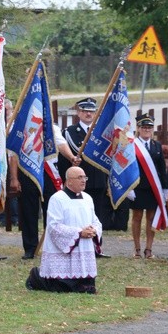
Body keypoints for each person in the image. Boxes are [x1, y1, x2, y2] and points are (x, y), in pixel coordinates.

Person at [25, 166, 101, 294]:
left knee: (87, 287)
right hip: (66, 249)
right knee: (61, 286)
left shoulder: (88, 198)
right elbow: (54, 226)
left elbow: (96, 220)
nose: (83, 180)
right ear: (69, 181)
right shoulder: (57, 199)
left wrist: (94, 230)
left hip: (84, 246)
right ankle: (35, 277)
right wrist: (79, 233)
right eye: (79, 177)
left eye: (84, 177)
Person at [11, 123, 80, 259]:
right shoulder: (21, 123)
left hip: (48, 173)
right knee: (28, 211)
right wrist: (14, 178)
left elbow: (60, 144)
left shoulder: (51, 126)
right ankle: (30, 248)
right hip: (28, 172)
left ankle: (54, 246)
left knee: (53, 211)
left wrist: (71, 157)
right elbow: (13, 154)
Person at [59, 97, 110, 258]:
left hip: (98, 180)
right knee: (79, 216)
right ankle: (78, 246)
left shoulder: (101, 133)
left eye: (91, 111)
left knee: (97, 217)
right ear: (78, 113)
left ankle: (96, 247)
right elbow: (63, 161)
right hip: (78, 183)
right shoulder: (69, 133)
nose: (88, 114)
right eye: (85, 111)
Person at [129, 113, 168, 259]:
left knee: (151, 218)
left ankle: (149, 249)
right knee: (137, 217)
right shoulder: (132, 145)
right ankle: (137, 248)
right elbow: (127, 167)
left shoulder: (156, 145)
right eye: (144, 127)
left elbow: (162, 170)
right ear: (138, 128)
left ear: (153, 129)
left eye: (149, 127)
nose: (147, 130)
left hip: (153, 188)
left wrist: (165, 189)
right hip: (137, 187)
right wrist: (129, 187)